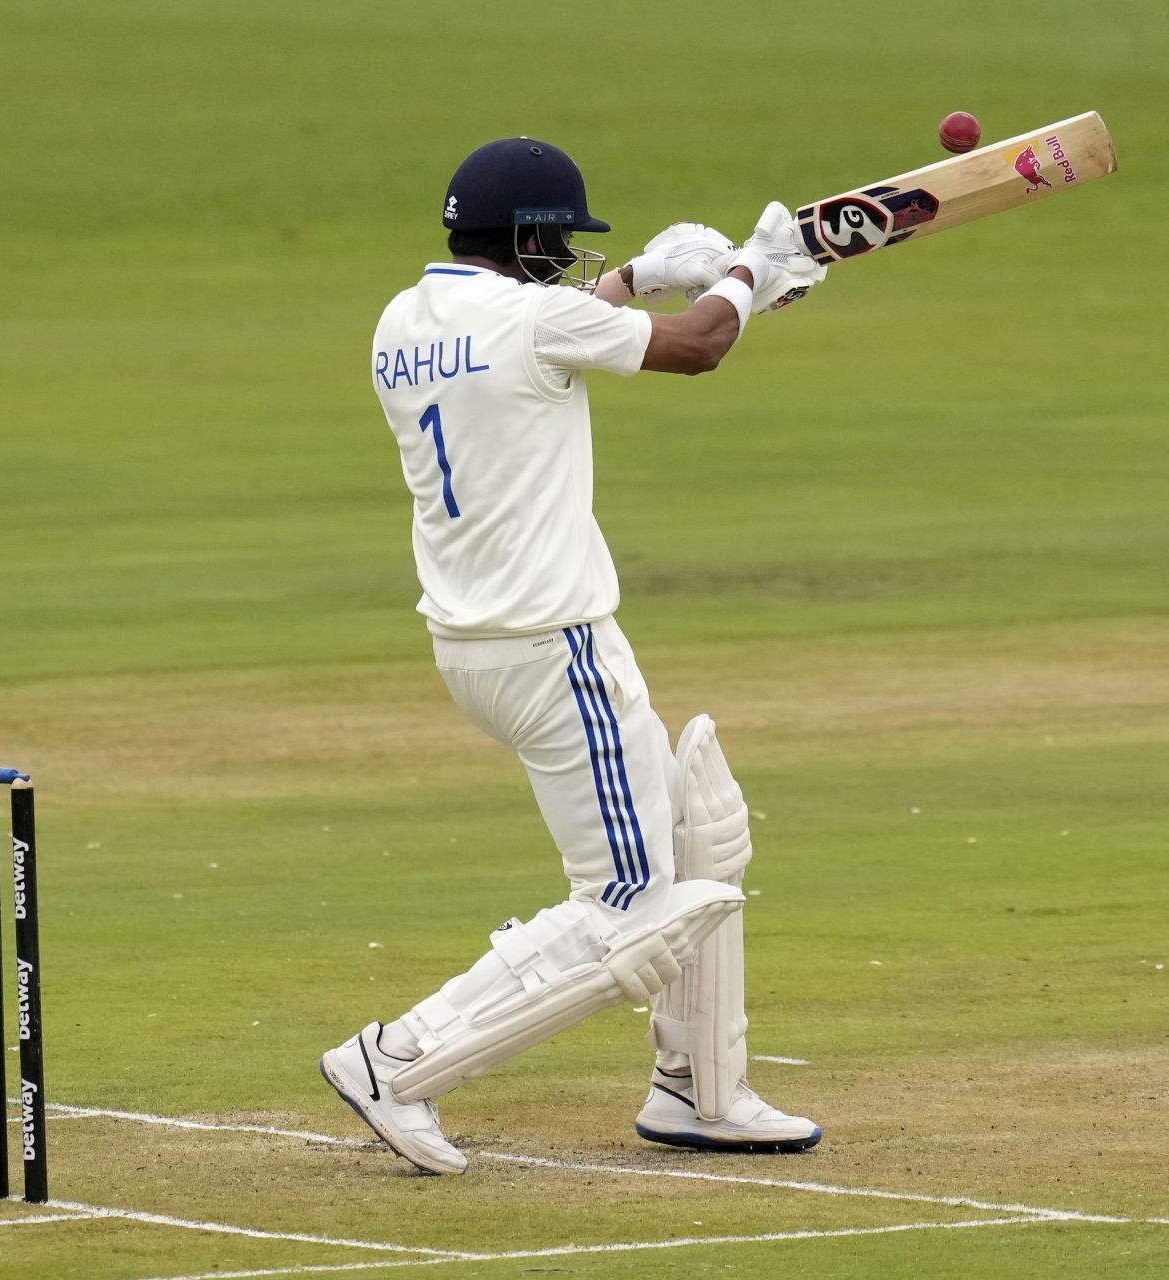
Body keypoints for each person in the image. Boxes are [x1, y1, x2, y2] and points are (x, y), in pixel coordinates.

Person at [320, 137, 827, 1175]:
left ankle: (700, 1090)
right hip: (557, 647)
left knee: (697, 838)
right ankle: (398, 1058)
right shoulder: (538, 316)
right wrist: (749, 272)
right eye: (556, 241)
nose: (563, 259)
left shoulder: (405, 320)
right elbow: (693, 349)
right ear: (526, 237)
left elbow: (548, 331)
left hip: (476, 643)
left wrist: (639, 280)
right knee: (634, 907)